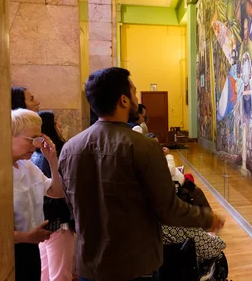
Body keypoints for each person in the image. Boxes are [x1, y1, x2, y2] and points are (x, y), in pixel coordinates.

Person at [59, 67, 224, 280]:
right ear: (124, 100)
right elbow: (168, 208)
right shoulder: (143, 147)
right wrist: (206, 219)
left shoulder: (70, 149)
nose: (137, 98)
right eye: (134, 92)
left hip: (90, 266)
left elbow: (72, 207)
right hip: (134, 266)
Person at [12, 109, 64, 280]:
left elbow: (56, 192)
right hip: (9, 250)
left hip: (30, 248)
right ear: (10, 135)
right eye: (31, 139)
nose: (36, 145)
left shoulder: (27, 166)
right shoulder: (0, 172)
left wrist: (52, 160)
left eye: (38, 139)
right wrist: (25, 236)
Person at [31, 111, 75, 281]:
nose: (60, 125)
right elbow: (60, 191)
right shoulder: (54, 154)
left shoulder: (34, 156)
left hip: (42, 219)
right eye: (57, 121)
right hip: (58, 221)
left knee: (46, 271)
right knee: (60, 273)